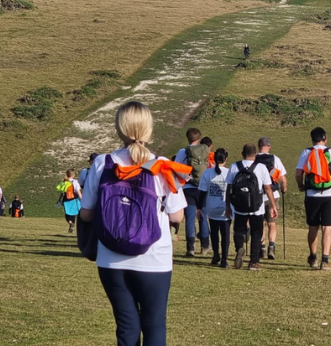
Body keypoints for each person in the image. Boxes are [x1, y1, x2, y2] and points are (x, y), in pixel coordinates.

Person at [79, 100, 187, 346]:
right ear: (148, 130)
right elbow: (177, 216)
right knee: (154, 325)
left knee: (126, 327)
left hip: (111, 258)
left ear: (120, 128)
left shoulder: (102, 163)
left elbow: (86, 214)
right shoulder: (161, 166)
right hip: (154, 257)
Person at [296, 127, 331, 271]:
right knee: (327, 228)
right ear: (325, 139)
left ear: (312, 139)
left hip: (312, 194)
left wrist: (301, 186)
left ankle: (313, 257)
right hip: (330, 195)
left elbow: (299, 174)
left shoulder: (307, 152)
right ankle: (325, 260)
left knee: (313, 226)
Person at [225, 143, 277, 271]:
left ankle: (239, 248)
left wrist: (227, 206)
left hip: (239, 206)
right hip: (256, 207)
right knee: (256, 233)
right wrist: (273, 205)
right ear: (255, 155)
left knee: (239, 230)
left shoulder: (234, 166)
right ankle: (254, 262)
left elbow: (228, 188)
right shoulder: (261, 167)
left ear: (242, 154)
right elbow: (267, 188)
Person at [173, 128, 210, 257]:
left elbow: (176, 168)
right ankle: (205, 245)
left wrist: (187, 178)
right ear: (199, 138)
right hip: (203, 188)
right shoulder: (205, 150)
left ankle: (191, 247)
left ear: (187, 138)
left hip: (188, 188)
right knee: (203, 216)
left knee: (190, 217)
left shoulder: (182, 152)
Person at [254, 137, 287, 260]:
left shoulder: (254, 159)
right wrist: (284, 188)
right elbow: (283, 179)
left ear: (258, 146)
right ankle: (271, 247)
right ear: (269, 146)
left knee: (260, 223)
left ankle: (261, 248)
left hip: (258, 195)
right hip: (273, 195)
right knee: (272, 223)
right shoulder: (275, 159)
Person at [198, 147, 231, 268]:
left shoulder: (207, 173)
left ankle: (216, 254)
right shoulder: (229, 172)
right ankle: (225, 259)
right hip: (225, 208)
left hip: (211, 208)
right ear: (226, 159)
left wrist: (199, 208)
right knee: (225, 234)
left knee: (214, 233)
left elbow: (202, 192)